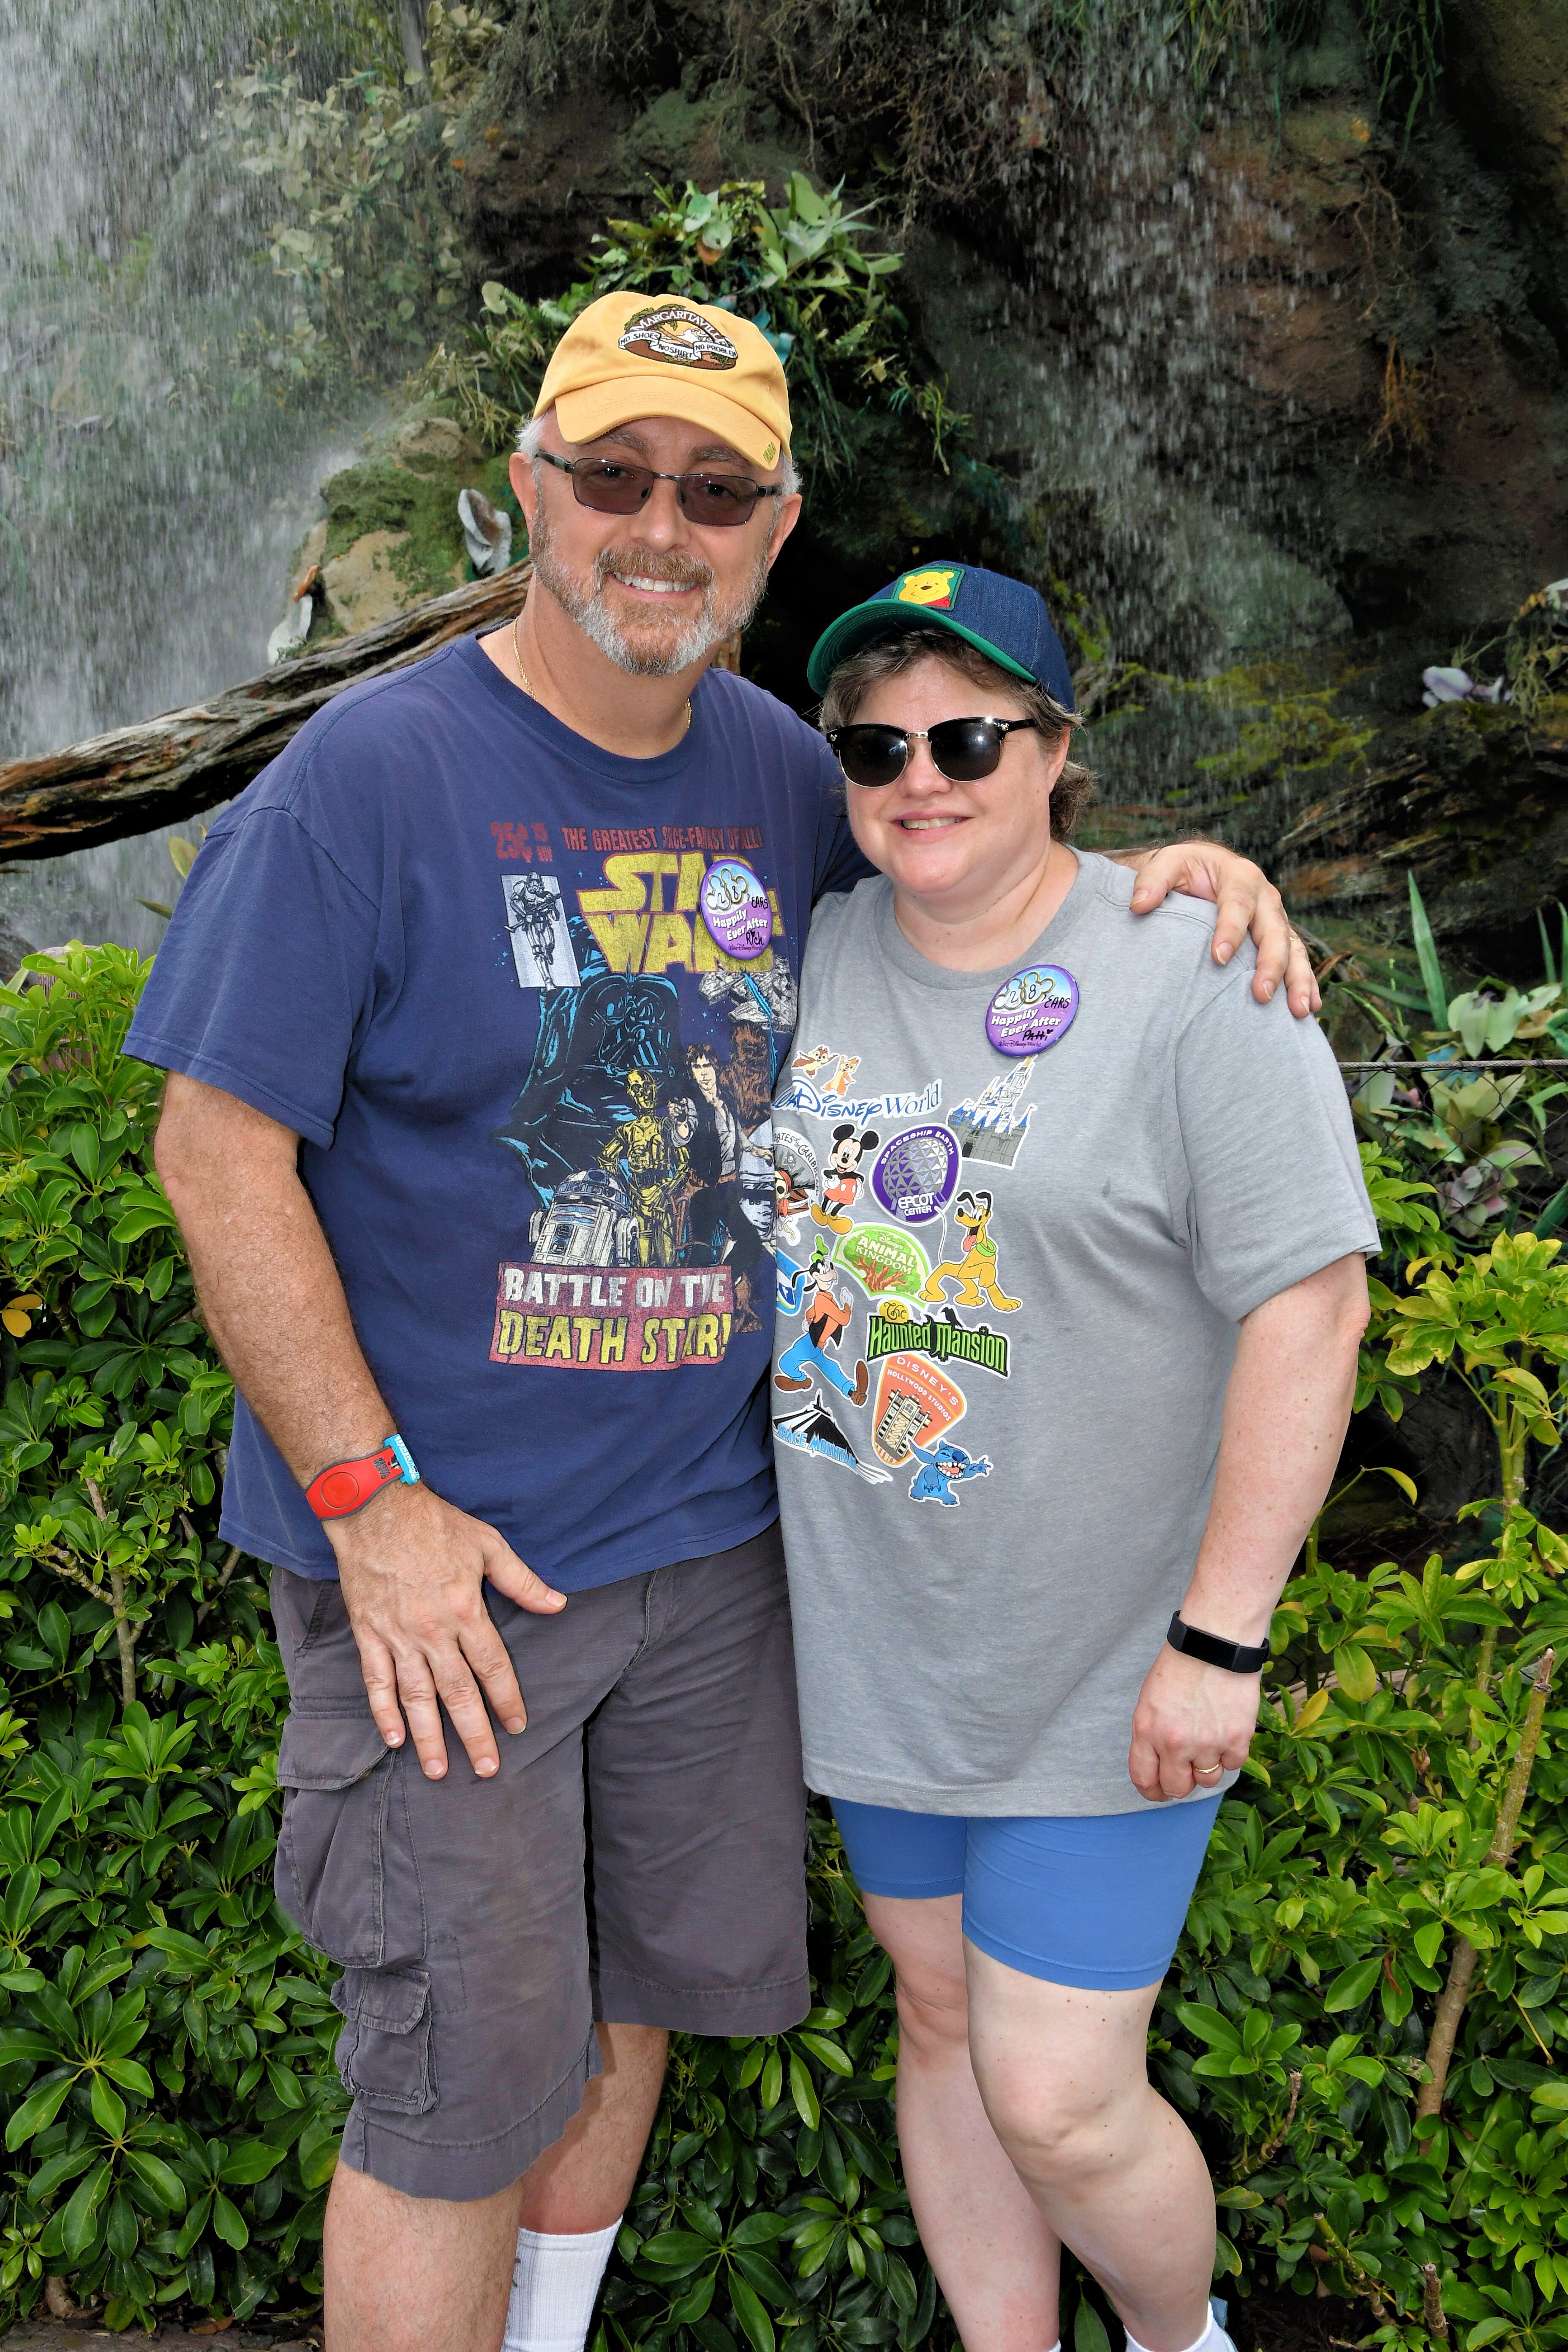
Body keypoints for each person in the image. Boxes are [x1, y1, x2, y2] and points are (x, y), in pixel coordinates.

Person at [127, 285, 1318, 2352]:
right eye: (614, 474)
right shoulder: (366, 780)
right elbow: (213, 1155)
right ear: (531, 492)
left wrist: (1187, 883)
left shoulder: (785, 772)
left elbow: (982, 882)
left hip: (712, 1560)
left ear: (773, 531)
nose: (657, 525)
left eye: (712, 489)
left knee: (624, 2017)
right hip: (456, 1572)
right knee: (450, 2101)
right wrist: (367, 1503)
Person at [770, 562, 1377, 2352]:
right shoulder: (811, 951)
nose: (920, 778)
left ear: (1053, 751)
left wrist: (1222, 1636)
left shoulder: (1190, 967)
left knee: (1057, 2093)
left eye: (967, 739)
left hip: (1110, 1661)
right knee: (942, 2024)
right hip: (883, 1643)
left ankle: (1182, 2345)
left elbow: (1312, 1306)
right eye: (876, 747)